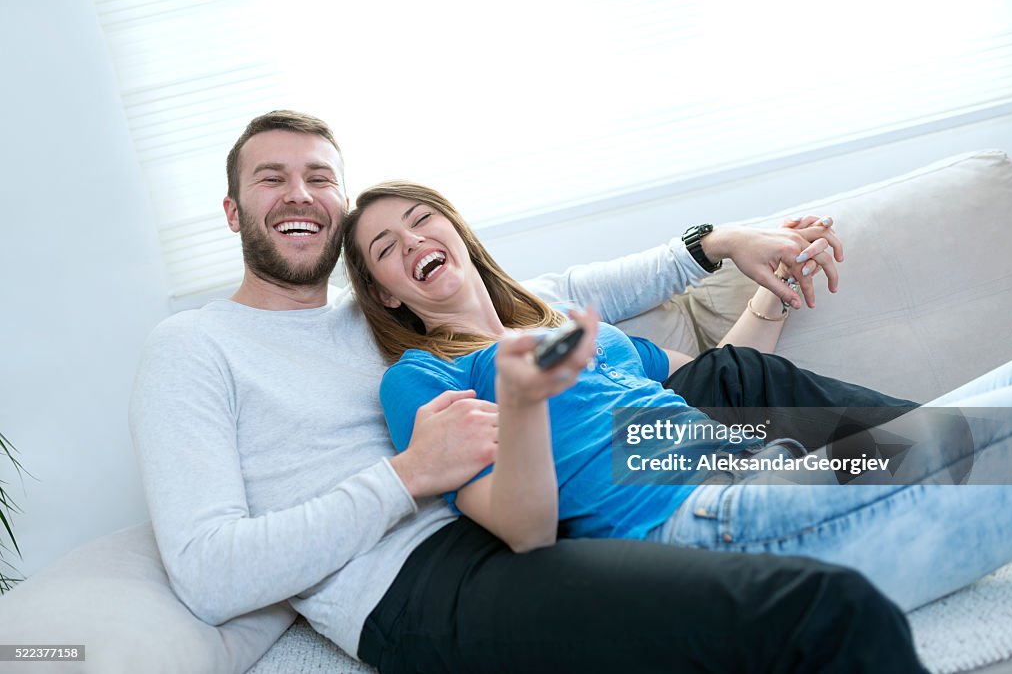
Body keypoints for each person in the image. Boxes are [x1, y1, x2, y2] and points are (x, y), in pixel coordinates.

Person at [131, 110, 928, 673]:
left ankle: (942, 451)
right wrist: (406, 474)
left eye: (319, 177)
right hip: (423, 583)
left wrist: (715, 243)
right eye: (273, 179)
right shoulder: (195, 346)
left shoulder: (383, 316)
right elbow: (207, 574)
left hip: (543, 508)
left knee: (728, 375)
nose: (299, 192)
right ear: (234, 212)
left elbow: (555, 298)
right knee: (822, 607)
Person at [344, 179, 1012, 614]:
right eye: (386, 246)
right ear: (382, 291)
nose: (414, 241)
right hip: (708, 521)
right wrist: (522, 401)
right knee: (988, 439)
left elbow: (717, 371)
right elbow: (526, 530)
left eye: (422, 219)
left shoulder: (569, 329)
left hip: (768, 468)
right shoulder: (420, 377)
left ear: (457, 230)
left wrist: (773, 292)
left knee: (993, 405)